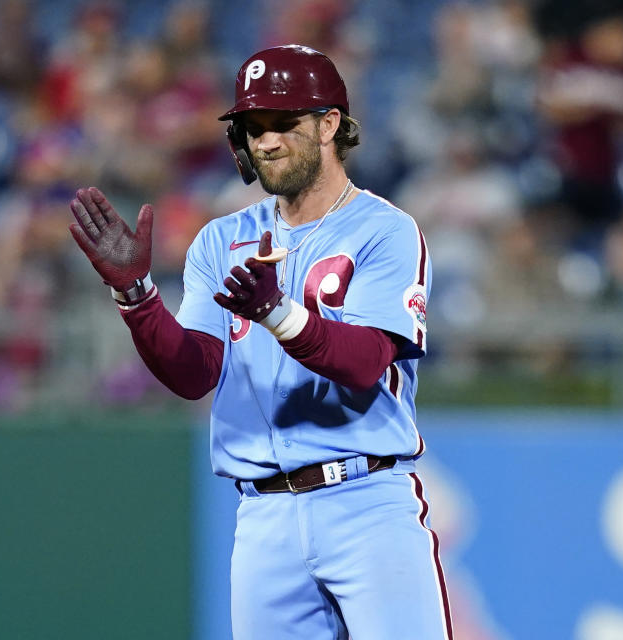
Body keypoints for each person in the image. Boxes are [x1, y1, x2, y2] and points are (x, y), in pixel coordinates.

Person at [69, 44, 452, 640]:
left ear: (330, 125)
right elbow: (195, 373)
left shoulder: (386, 230)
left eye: (284, 123)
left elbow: (366, 362)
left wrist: (276, 312)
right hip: (263, 515)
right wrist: (138, 297)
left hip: (366, 501)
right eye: (253, 127)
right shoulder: (222, 239)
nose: (266, 141)